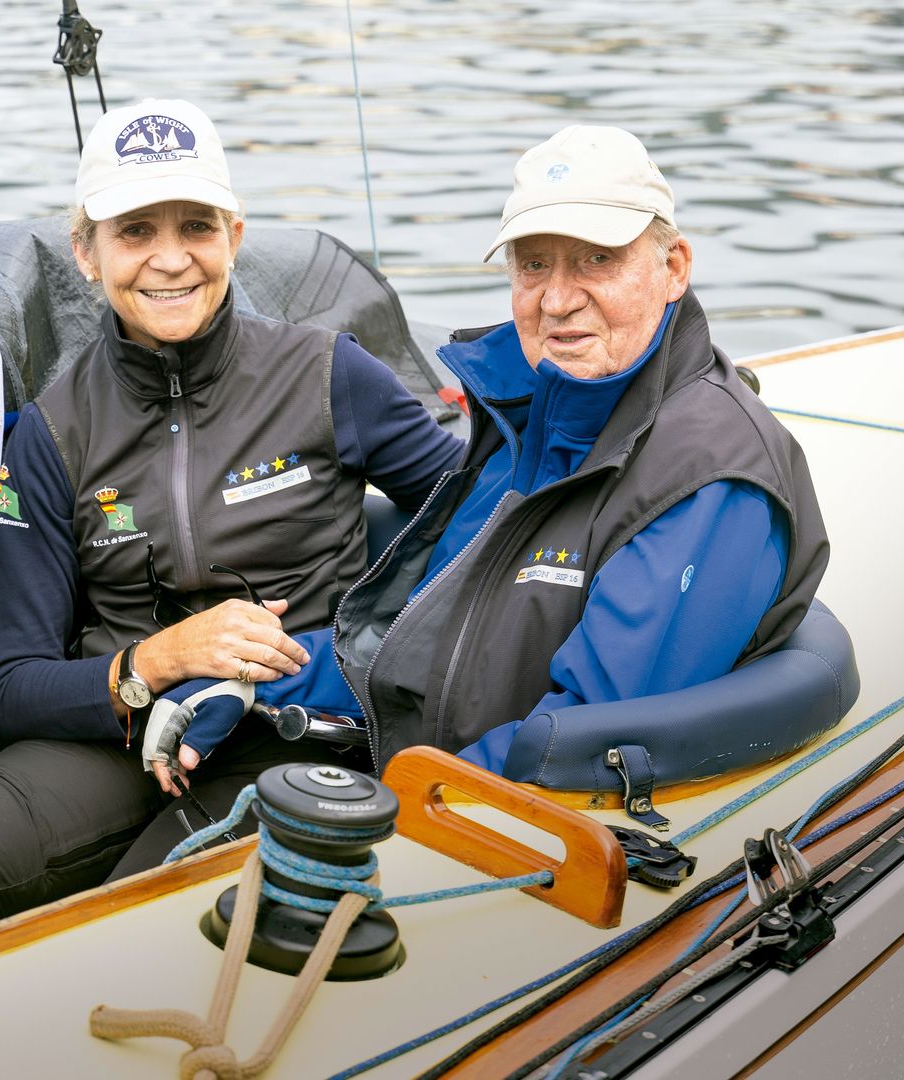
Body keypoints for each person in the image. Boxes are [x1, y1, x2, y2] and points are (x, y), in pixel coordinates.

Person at [108, 121, 828, 871]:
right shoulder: (528, 423)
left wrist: (387, 805)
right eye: (533, 265)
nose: (557, 299)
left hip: (493, 835)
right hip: (424, 782)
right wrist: (243, 681)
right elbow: (410, 643)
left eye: (597, 261)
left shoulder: (710, 475)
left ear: (673, 267)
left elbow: (578, 741)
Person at [0, 98, 462, 967]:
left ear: (233, 236)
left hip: (290, 734)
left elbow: (481, 537)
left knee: (138, 929)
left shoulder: (330, 375)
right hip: (120, 737)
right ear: (87, 255)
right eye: (135, 231)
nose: (170, 259)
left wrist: (339, 651)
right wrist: (157, 663)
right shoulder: (52, 432)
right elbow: (15, 683)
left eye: (196, 226)